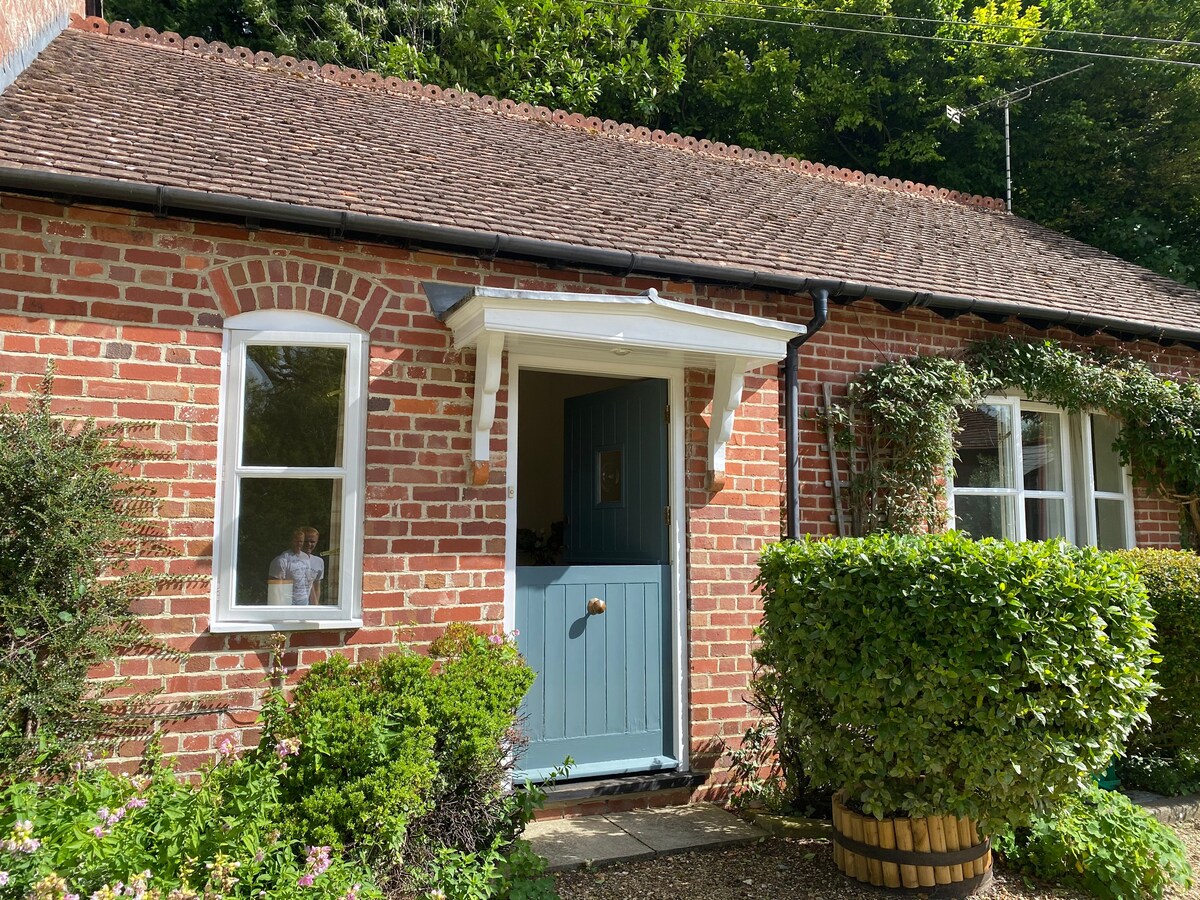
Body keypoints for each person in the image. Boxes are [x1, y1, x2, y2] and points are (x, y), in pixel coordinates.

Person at [269, 526, 324, 605]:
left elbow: (314, 587)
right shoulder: (282, 560)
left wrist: (315, 608)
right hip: (287, 606)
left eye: (312, 542)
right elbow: (275, 590)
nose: (309, 544)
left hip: (304, 606)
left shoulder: (318, 562)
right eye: (305, 541)